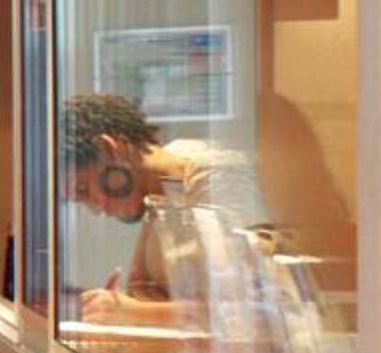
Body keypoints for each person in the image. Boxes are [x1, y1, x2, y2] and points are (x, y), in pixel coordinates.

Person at [62, 91, 271, 318]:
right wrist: (150, 306)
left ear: (110, 148)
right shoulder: (159, 189)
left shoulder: (220, 175)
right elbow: (139, 287)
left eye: (83, 189)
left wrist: (135, 312)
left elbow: (248, 310)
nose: (97, 209)